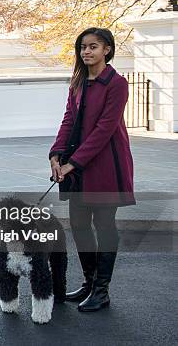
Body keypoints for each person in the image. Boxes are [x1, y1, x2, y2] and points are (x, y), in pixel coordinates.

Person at [49, 27, 135, 312]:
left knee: (104, 224)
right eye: (83, 47)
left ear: (107, 49)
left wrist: (73, 163)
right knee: (79, 224)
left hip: (106, 165)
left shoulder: (117, 84)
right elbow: (67, 121)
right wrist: (56, 154)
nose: (86, 52)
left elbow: (104, 130)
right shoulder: (77, 82)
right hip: (78, 166)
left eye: (93, 46)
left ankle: (102, 290)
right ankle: (89, 282)